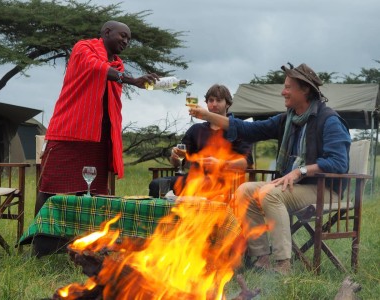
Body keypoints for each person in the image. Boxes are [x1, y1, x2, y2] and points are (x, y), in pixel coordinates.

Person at [189, 63, 351, 275]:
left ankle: (283, 263)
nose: (283, 92)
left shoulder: (328, 120)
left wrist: (300, 171)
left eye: (288, 87)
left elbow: (339, 163)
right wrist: (207, 116)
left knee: (270, 194)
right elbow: (249, 129)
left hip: (323, 188)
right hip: (294, 185)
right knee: (245, 191)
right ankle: (262, 257)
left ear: (305, 90)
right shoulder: (288, 119)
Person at [35, 20, 159, 215]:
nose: (126, 41)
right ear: (107, 32)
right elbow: (96, 68)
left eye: (129, 39)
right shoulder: (84, 48)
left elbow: (111, 79)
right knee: (50, 189)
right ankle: (37, 239)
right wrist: (131, 80)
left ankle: (84, 239)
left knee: (93, 192)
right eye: (123, 36)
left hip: (99, 137)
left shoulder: (117, 63)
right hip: (69, 132)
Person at [148, 84, 253, 198]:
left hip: (225, 181)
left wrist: (221, 164)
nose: (214, 104)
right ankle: (163, 215)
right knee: (156, 185)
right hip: (194, 178)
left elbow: (246, 162)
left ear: (227, 103)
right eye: (211, 100)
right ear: (206, 103)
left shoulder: (238, 129)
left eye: (219, 100)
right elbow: (179, 163)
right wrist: (174, 157)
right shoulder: (196, 130)